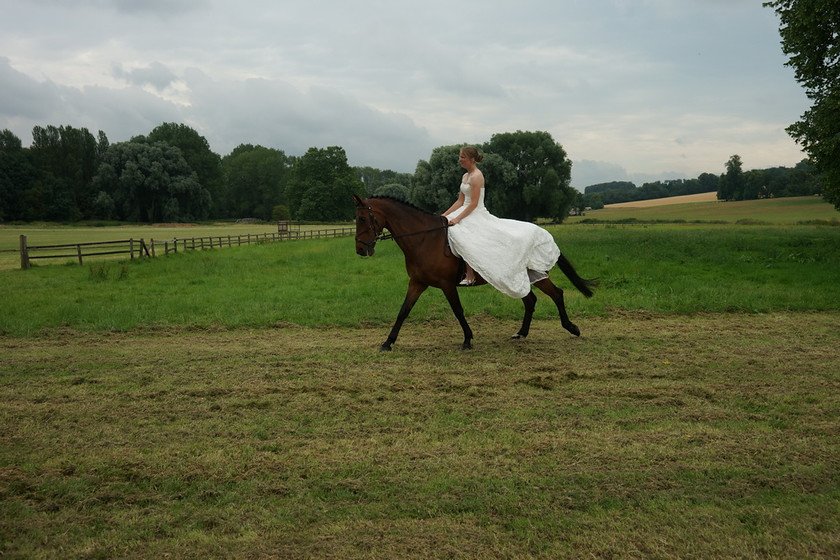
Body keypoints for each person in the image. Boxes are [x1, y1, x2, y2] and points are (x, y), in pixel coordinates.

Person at [442, 146, 562, 299]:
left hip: (475, 212)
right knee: (445, 227)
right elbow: (460, 200)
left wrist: (458, 219)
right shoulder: (465, 176)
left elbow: (473, 203)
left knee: (462, 233)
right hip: (463, 210)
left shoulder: (476, 176)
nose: (460, 159)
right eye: (460, 156)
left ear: (472, 159)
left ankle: (470, 274)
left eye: (463, 157)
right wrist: (444, 215)